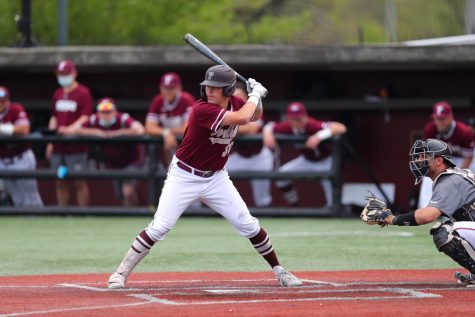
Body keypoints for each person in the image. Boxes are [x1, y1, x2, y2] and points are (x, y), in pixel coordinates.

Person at [108, 65, 302, 289]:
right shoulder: (202, 110)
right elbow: (242, 117)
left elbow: (254, 116)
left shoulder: (236, 102)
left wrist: (255, 96)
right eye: (207, 86)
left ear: (228, 90)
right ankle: (120, 273)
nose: (209, 91)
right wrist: (256, 94)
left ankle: (279, 271)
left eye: (216, 87)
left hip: (216, 177)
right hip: (184, 175)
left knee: (248, 225)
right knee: (160, 227)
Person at [364, 138, 475, 287]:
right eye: (419, 156)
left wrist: (392, 219)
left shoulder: (450, 180)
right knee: (451, 225)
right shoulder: (452, 177)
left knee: (444, 232)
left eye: (425, 156)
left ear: (439, 160)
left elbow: (428, 215)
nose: (419, 160)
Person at [262, 102, 347, 207]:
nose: (296, 122)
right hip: (307, 160)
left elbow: (341, 127)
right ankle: (295, 206)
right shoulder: (287, 126)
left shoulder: (312, 124)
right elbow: (269, 126)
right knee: (281, 177)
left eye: (299, 118)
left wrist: (319, 136)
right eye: (293, 119)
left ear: (305, 116)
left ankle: (334, 212)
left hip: (325, 161)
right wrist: (267, 134)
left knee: (333, 203)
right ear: (288, 118)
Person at [66, 98, 145, 206]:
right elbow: (74, 130)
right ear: (98, 113)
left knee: (127, 191)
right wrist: (97, 132)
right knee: (122, 194)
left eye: (109, 112)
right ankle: (131, 213)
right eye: (103, 112)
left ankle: (134, 214)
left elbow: (140, 130)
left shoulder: (122, 118)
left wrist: (115, 134)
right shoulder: (94, 120)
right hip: (114, 163)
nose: (106, 115)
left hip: (132, 160)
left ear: (115, 111)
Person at [46, 60, 93, 206]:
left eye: (66, 74)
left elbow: (85, 117)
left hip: (76, 147)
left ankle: (83, 214)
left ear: (74, 73)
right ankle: (62, 213)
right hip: (59, 148)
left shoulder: (83, 92)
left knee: (79, 181)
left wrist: (70, 129)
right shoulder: (58, 93)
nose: (63, 77)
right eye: (60, 74)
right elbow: (54, 117)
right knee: (60, 180)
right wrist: (50, 140)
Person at [417, 101, 473, 209]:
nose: (439, 122)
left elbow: (469, 156)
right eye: (437, 118)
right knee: (427, 173)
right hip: (438, 160)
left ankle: (466, 209)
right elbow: (428, 155)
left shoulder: (464, 132)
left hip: (460, 160)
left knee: (467, 176)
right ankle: (425, 209)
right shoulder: (430, 129)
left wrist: (458, 175)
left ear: (451, 117)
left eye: (443, 119)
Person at [226, 82, 273, 207]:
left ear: (247, 98)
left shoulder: (255, 107)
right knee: (216, 174)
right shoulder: (228, 110)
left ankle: (265, 213)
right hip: (240, 157)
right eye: (234, 96)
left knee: (262, 198)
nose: (237, 99)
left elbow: (252, 129)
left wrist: (230, 126)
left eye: (240, 96)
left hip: (259, 157)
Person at [0, 86, 43, 207]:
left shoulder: (15, 109)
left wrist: (3, 128)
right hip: (2, 160)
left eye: (2, 101)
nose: (0, 104)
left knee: (30, 195)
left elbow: (25, 129)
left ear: (7, 101)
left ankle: (38, 221)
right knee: (16, 196)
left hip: (21, 157)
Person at [145, 72, 196, 168]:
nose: (167, 91)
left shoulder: (187, 99)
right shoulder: (158, 101)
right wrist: (165, 132)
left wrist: (168, 132)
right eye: (165, 88)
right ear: (160, 88)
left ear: (179, 87)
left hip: (188, 147)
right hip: (167, 147)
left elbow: (188, 128)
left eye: (171, 88)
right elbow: (149, 127)